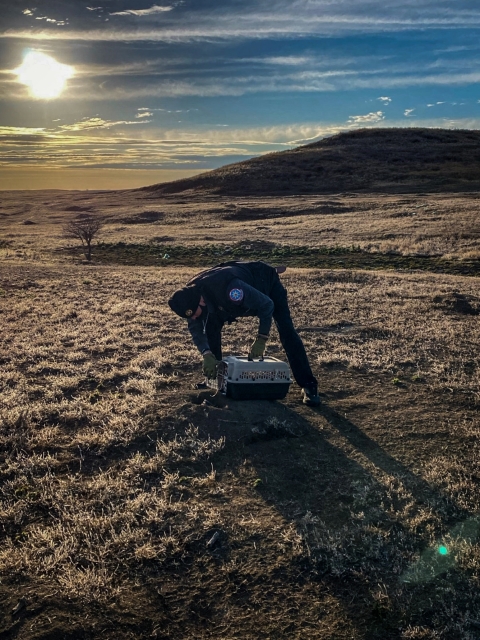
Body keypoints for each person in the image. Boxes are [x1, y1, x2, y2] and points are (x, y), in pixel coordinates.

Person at [168, 260, 320, 406]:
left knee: (287, 332)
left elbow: (267, 305)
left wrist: (261, 338)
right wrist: (206, 353)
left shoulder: (231, 289)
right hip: (224, 301)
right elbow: (195, 329)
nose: (194, 318)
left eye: (194, 313)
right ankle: (216, 381)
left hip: (265, 285)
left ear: (200, 301)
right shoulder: (188, 295)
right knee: (210, 329)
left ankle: (309, 386)